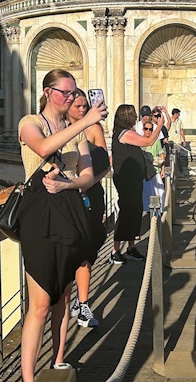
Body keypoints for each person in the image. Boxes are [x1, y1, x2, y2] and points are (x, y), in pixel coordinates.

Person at [17, 69, 107, 378]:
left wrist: (67, 184)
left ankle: (57, 358)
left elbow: (87, 175)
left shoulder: (77, 132)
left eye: (72, 93)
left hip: (70, 211)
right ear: (47, 92)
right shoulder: (30, 123)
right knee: (40, 302)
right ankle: (28, 377)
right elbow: (42, 148)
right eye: (63, 93)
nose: (68, 98)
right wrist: (85, 121)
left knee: (64, 296)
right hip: (39, 216)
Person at [66, 88, 111, 328]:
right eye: (78, 106)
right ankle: (73, 301)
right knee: (71, 248)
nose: (83, 110)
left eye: (85, 106)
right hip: (64, 196)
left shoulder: (93, 129)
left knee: (88, 246)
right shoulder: (58, 129)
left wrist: (88, 182)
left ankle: (82, 303)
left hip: (90, 194)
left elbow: (105, 163)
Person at [110, 104, 164, 264]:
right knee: (127, 212)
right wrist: (159, 126)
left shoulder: (128, 133)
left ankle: (131, 247)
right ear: (127, 117)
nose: (136, 117)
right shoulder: (123, 134)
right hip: (126, 180)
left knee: (135, 211)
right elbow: (147, 141)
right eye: (133, 115)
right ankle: (115, 250)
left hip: (133, 179)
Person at [141, 120, 166, 212]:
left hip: (155, 170)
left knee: (159, 191)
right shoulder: (139, 140)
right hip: (144, 171)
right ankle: (147, 211)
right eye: (146, 129)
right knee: (146, 193)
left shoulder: (156, 141)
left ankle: (161, 211)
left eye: (150, 129)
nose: (148, 131)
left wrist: (163, 170)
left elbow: (161, 154)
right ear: (143, 129)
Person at [169, 108, 186, 174]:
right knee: (172, 158)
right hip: (171, 141)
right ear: (175, 114)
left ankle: (180, 171)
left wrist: (184, 140)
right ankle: (173, 172)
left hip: (178, 142)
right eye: (178, 114)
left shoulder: (179, 121)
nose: (179, 115)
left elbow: (181, 131)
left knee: (178, 157)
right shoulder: (169, 121)